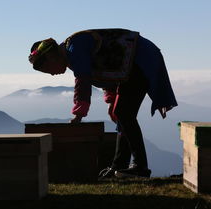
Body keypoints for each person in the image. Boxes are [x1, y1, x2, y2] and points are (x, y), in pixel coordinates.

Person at [28, 28, 177, 178]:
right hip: (132, 64)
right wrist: (111, 101)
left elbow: (83, 81)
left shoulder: (74, 48)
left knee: (124, 113)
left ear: (52, 57)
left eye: (48, 70)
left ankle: (140, 167)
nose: (52, 74)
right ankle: (119, 167)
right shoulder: (72, 53)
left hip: (140, 58)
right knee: (121, 114)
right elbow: (106, 72)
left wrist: (79, 114)